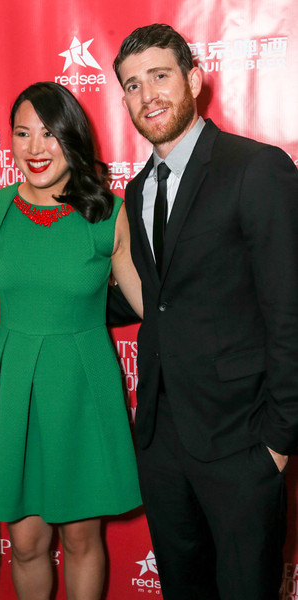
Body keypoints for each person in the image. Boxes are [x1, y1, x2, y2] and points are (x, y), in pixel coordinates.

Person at [109, 23, 298, 600]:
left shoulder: (256, 168)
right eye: (134, 86)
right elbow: (152, 297)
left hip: (243, 441)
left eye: (161, 76)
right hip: (163, 443)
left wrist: (278, 442)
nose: (149, 96)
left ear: (193, 78)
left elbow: (290, 310)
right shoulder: (137, 190)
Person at [0, 81, 142, 600]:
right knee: (24, 542)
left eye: (48, 134)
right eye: (22, 134)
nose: (34, 148)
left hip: (80, 388)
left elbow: (147, 304)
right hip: (16, 383)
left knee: (81, 536)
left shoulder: (106, 214)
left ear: (71, 136)